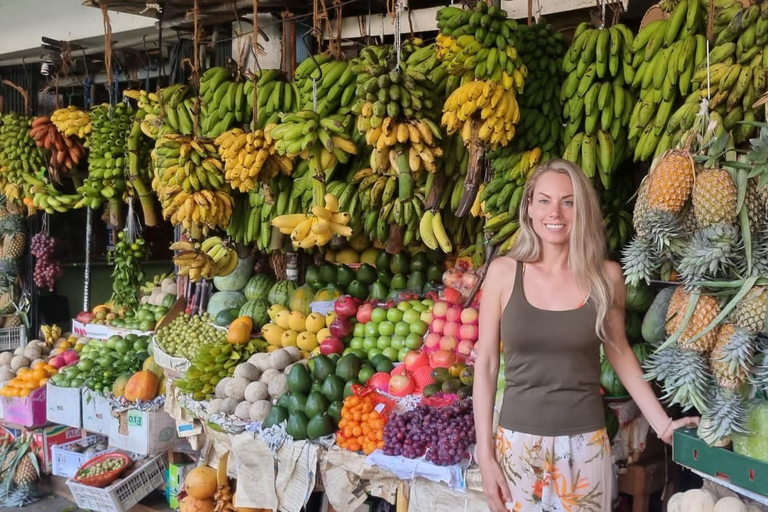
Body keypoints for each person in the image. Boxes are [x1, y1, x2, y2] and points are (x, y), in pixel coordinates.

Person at [473, 159, 699, 512]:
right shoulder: (503, 273)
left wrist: (663, 424)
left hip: (585, 446)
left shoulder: (606, 278)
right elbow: (486, 364)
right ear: (529, 208)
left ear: (583, 210)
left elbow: (619, 353)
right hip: (517, 445)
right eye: (544, 200)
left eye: (568, 201)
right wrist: (485, 456)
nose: (556, 212)